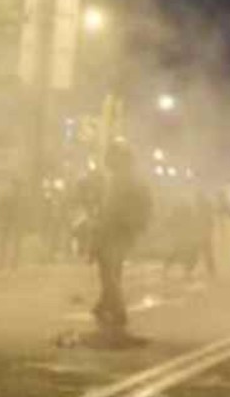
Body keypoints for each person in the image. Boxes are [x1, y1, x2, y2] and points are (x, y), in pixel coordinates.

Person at [90, 141, 152, 341]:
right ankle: (103, 304)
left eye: (110, 157)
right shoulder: (135, 178)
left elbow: (110, 209)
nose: (107, 161)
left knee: (108, 270)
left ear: (118, 159)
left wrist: (98, 233)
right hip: (127, 231)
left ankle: (119, 310)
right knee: (114, 269)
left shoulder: (120, 179)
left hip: (114, 229)